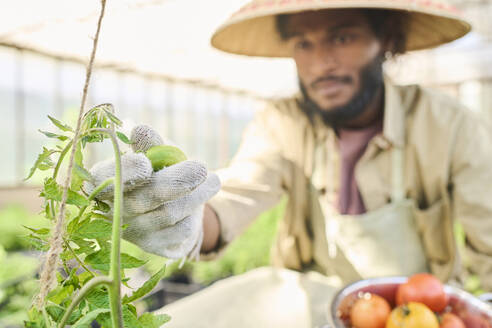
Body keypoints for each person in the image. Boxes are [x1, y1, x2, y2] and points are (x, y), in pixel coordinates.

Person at [88, 0, 492, 326]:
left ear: (385, 38)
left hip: (416, 311)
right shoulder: (282, 123)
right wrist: (185, 219)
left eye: (342, 37)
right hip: (311, 305)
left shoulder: (448, 125)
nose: (320, 64)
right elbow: (238, 194)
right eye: (303, 44)